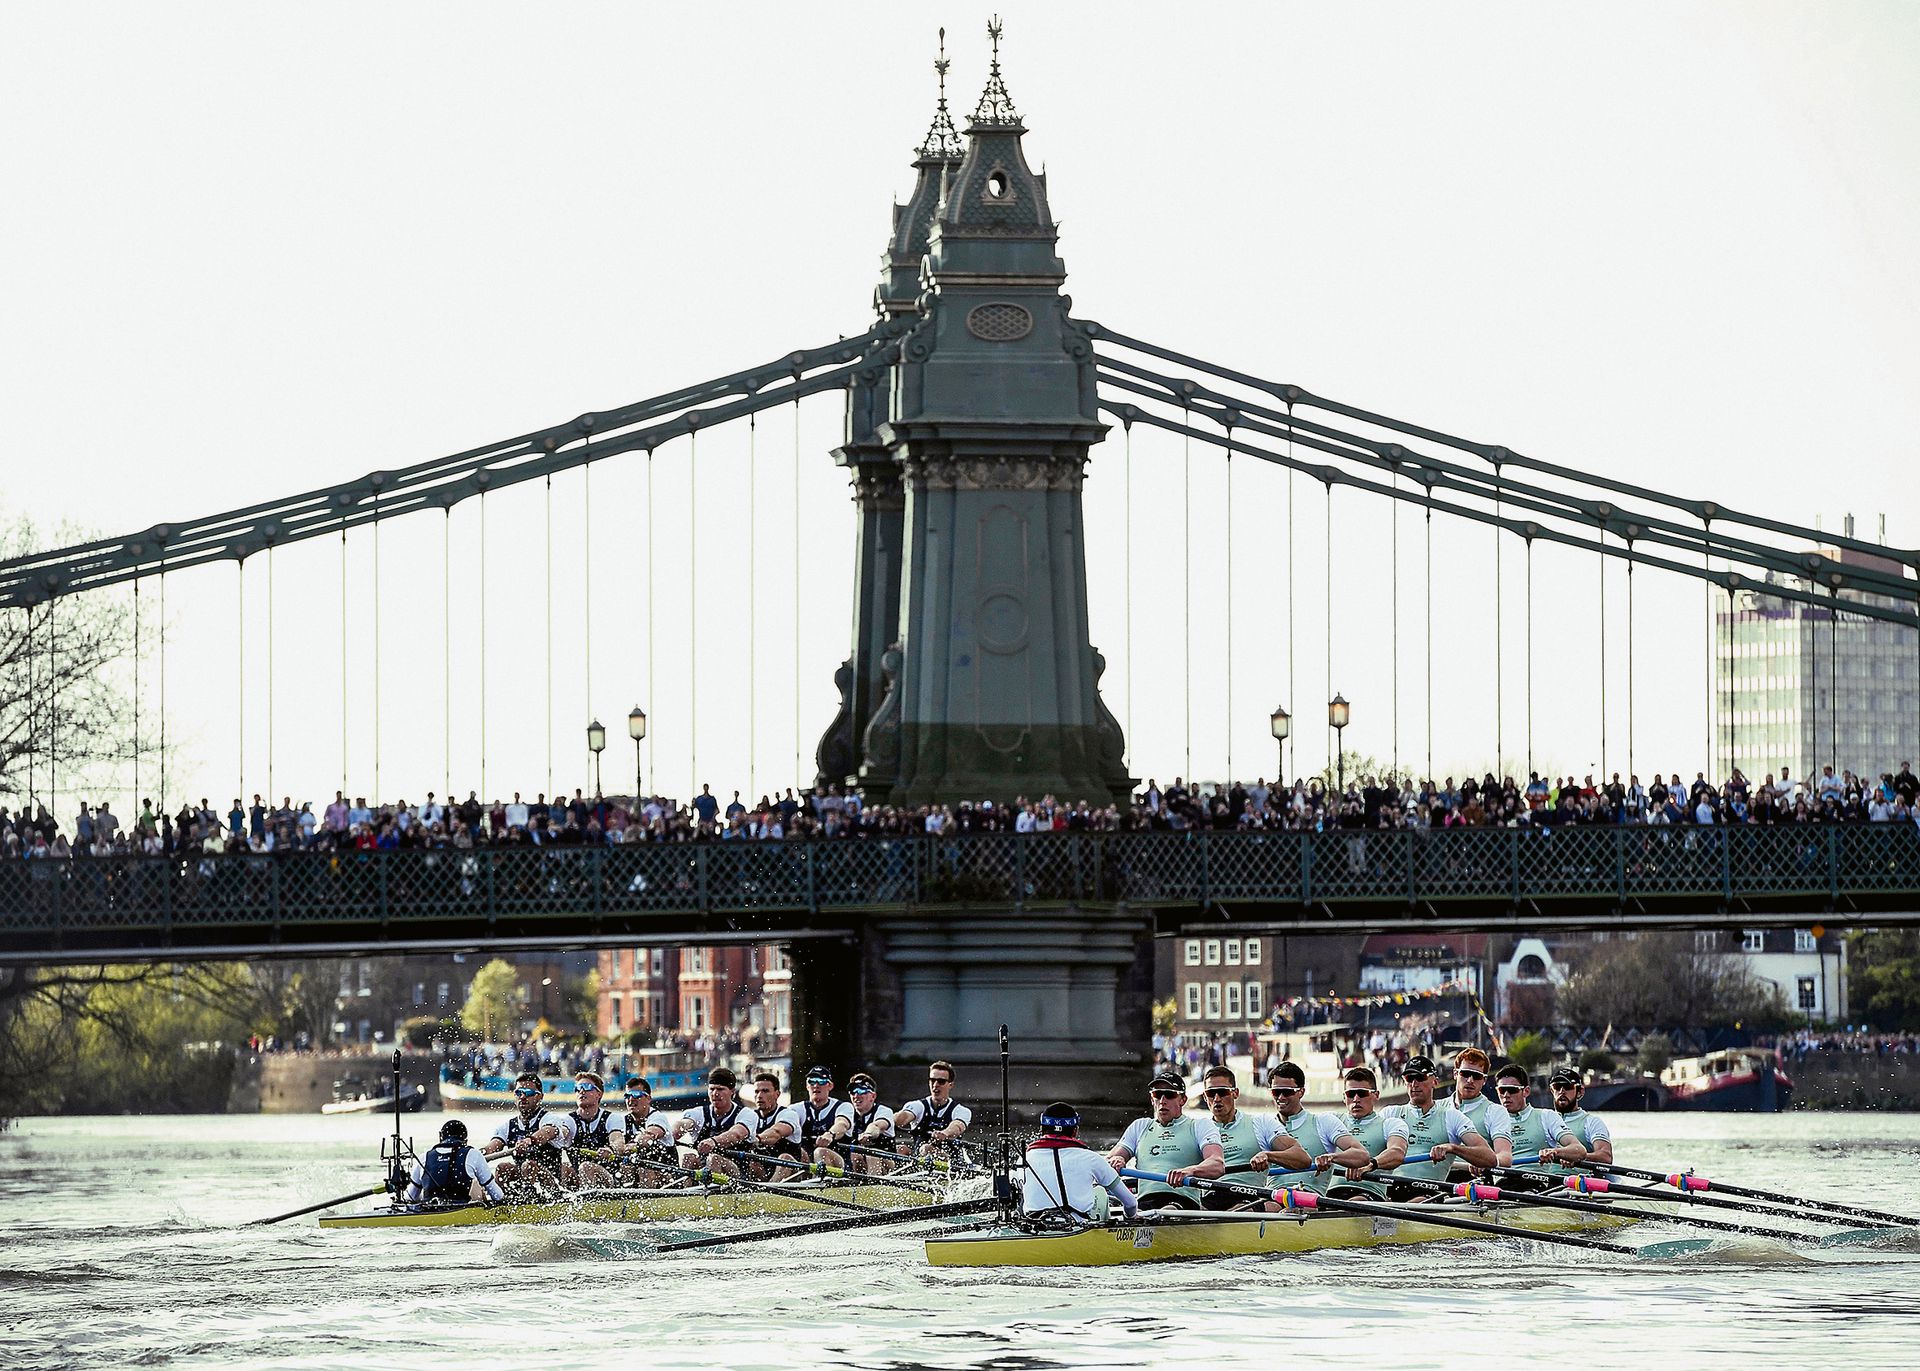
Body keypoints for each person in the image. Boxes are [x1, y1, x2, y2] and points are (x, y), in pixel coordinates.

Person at [1105, 1071, 1225, 1211]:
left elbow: (1217, 1164)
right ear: (1152, 1099)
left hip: (1182, 1202)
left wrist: (1190, 1171)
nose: (1162, 1101)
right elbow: (1106, 1162)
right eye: (1157, 1095)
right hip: (1143, 1203)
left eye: (1169, 1095)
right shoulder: (1140, 1126)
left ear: (1183, 1100)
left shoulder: (1199, 1126)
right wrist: (1116, 1159)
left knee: (1168, 1211)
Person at [1250, 1061, 1363, 1205]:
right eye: (1276, 1092)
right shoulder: (1264, 1126)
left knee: (1288, 1214)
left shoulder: (1323, 1122)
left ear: (1301, 1092)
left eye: (1287, 1092)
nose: (1281, 1097)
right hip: (1273, 1198)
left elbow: (1361, 1155)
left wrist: (1332, 1157)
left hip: (1309, 1200)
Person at [1379, 1054, 1495, 1194]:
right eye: (1409, 1079)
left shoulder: (1451, 1117)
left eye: (1421, 1078)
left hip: (1427, 1196)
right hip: (1388, 1193)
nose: (1414, 1084)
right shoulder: (1389, 1113)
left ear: (1435, 1082)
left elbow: (1490, 1158)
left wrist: (1452, 1148)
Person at [1195, 1064, 1296, 1211]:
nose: (1216, 1098)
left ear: (1235, 1093)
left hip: (1248, 1198)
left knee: (1241, 1209)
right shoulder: (1197, 1128)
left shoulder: (1261, 1123)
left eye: (1222, 1092)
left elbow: (1302, 1158)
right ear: (1205, 1097)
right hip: (1210, 1198)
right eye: (1211, 1094)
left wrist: (1268, 1155)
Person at [1023, 1102, 1139, 1224]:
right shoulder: (1091, 1158)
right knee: (1099, 1193)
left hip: (1034, 1231)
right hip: (1077, 1229)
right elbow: (1131, 1203)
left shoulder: (1024, 1159)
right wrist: (1130, 1218)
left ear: (1041, 1130)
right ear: (1075, 1131)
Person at [1322, 1065, 1411, 1198]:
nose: (1356, 1099)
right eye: (1350, 1094)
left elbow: (1397, 1152)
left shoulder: (1391, 1124)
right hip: (1330, 1195)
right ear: (1344, 1097)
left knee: (1354, 1202)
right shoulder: (1331, 1120)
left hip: (1369, 1195)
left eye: (1362, 1093)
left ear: (1376, 1095)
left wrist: (1369, 1165)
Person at [1492, 1064, 1587, 1183]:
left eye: (1512, 1090)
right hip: (1502, 1184)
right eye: (1501, 1090)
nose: (1506, 1095)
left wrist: (1555, 1152)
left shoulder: (1546, 1116)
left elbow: (1579, 1150)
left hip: (1537, 1183)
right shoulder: (1492, 1120)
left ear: (1526, 1091)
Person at [481, 1071, 568, 1192]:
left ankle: (530, 1201)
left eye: (528, 1093)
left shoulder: (550, 1118)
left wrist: (529, 1141)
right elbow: (491, 1148)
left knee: (529, 1166)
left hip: (552, 1184)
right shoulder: (507, 1126)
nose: (522, 1097)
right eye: (518, 1092)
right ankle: (501, 1203)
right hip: (524, 1181)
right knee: (502, 1168)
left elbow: (547, 1132)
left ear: (540, 1096)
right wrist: (477, 1154)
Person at [762, 1065, 855, 1178]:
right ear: (807, 1086)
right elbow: (780, 1128)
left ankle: (821, 1183)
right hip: (807, 1166)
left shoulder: (844, 1106)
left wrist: (830, 1134)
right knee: (785, 1158)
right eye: (812, 1081)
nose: (816, 1085)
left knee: (820, 1152)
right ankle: (767, 1191)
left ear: (830, 1086)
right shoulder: (795, 1109)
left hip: (838, 1166)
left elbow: (842, 1124)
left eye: (821, 1081)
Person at [673, 1067, 755, 1180]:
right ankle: (687, 1193)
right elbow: (684, 1123)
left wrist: (713, 1141)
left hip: (738, 1175)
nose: (715, 1093)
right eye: (712, 1089)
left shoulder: (746, 1114)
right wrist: (676, 1131)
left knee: (714, 1159)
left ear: (732, 1092)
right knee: (689, 1158)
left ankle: (714, 1194)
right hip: (705, 1169)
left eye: (720, 1089)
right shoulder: (698, 1113)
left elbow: (737, 1134)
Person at [404, 1119, 505, 1206]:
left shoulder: (424, 1157)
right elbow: (497, 1195)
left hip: (428, 1212)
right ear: (465, 1140)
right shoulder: (473, 1154)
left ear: (440, 1136)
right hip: (461, 1213)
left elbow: (410, 1197)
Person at [1445, 1047, 1514, 1170]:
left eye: (1477, 1076)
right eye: (1465, 1074)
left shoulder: (1495, 1111)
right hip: (1437, 1177)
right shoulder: (1438, 1107)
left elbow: (1505, 1157)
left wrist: (1484, 1161)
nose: (1470, 1080)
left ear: (1484, 1080)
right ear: (1455, 1074)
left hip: (1474, 1180)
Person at [893, 1060, 973, 1160]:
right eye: (932, 1080)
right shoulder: (918, 1106)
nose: (935, 1085)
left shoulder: (961, 1110)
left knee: (926, 1148)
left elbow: (957, 1126)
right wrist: (893, 1119)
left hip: (952, 1162)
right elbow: (902, 1119)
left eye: (941, 1081)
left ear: (950, 1085)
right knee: (899, 1149)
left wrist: (945, 1133)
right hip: (920, 1158)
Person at [612, 1078, 676, 1186]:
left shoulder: (658, 1117)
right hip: (637, 1173)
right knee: (625, 1167)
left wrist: (636, 1144)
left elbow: (649, 1135)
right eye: (627, 1096)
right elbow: (615, 1141)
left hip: (668, 1177)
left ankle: (645, 1200)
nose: (631, 1099)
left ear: (648, 1098)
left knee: (645, 1168)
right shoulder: (622, 1121)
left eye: (636, 1094)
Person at [1546, 1066, 1614, 1165]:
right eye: (1557, 1087)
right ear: (1552, 1091)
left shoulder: (1592, 1122)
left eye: (1568, 1087)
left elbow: (1605, 1156)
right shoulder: (1543, 1119)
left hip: (1578, 1178)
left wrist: (1576, 1157)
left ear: (1580, 1091)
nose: (1561, 1091)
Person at [563, 1071, 619, 1189]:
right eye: (578, 1088)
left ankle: (588, 1205)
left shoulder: (611, 1118)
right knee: (563, 1167)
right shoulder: (569, 1119)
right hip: (580, 1178)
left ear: (599, 1094)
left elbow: (618, 1141)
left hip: (609, 1179)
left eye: (587, 1087)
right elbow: (561, 1132)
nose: (581, 1091)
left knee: (586, 1167)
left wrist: (611, 1149)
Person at [845, 1072, 897, 1174]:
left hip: (888, 1164)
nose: (856, 1095)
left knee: (872, 1154)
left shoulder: (884, 1111)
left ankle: (874, 1187)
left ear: (873, 1096)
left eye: (861, 1091)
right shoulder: (846, 1113)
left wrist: (868, 1134)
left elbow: (877, 1126)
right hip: (859, 1162)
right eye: (853, 1091)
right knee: (854, 1155)